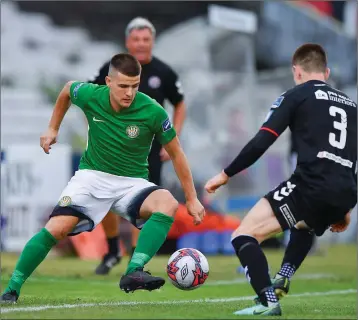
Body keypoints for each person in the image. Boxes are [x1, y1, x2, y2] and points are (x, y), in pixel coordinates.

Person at [0, 53, 204, 303]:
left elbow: (177, 154)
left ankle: (134, 272)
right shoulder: (90, 94)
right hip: (91, 178)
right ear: (108, 81)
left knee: (169, 204)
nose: (129, 92)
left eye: (135, 86)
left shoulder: (152, 111)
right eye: (123, 86)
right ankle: (12, 287)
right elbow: (66, 90)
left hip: (132, 183)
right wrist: (53, 127)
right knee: (56, 229)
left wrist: (192, 198)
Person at [205, 43, 357, 316]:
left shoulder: (295, 96)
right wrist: (344, 204)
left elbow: (263, 140)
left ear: (296, 71)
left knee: (243, 234)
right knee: (305, 223)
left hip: (312, 184)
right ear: (327, 71)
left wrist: (225, 174)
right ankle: (284, 275)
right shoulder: (352, 106)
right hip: (345, 187)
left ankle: (267, 300)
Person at [89, 17, 186, 275]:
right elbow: (91, 100)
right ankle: (111, 251)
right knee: (104, 199)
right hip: (111, 150)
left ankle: (135, 260)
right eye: (136, 39)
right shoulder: (108, 70)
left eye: (146, 39)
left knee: (141, 203)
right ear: (127, 42)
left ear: (152, 41)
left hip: (148, 151)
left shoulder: (164, 73)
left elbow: (180, 103)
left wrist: (173, 137)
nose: (141, 44)